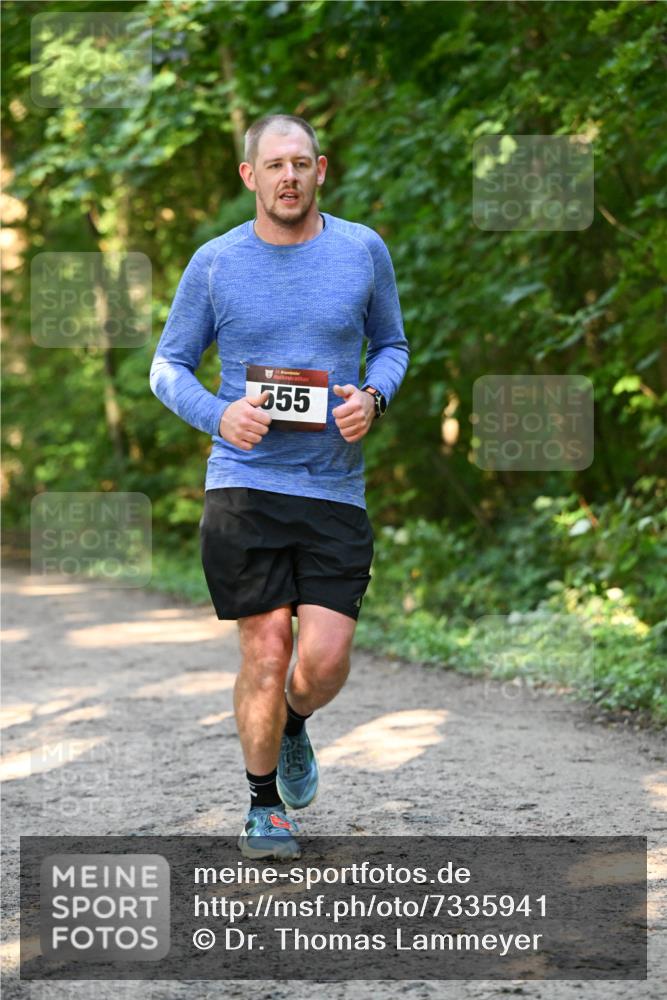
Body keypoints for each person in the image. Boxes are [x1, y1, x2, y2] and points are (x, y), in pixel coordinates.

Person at [149, 113, 409, 860]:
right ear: (249, 176)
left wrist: (374, 398)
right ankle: (263, 806)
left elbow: (390, 344)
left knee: (321, 663)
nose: (288, 176)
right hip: (244, 484)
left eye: (301, 163)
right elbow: (166, 366)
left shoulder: (361, 250)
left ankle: (295, 721)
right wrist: (218, 414)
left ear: (320, 169)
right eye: (274, 165)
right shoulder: (215, 263)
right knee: (265, 652)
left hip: (333, 489)